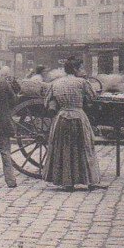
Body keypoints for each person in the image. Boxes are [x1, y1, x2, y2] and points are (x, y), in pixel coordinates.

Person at [42, 57, 102, 191]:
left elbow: (47, 102)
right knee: (84, 147)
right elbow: (93, 98)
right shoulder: (82, 82)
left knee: (64, 148)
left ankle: (67, 182)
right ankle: (89, 181)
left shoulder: (55, 83)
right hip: (78, 117)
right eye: (81, 68)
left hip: (62, 118)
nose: (83, 70)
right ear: (75, 69)